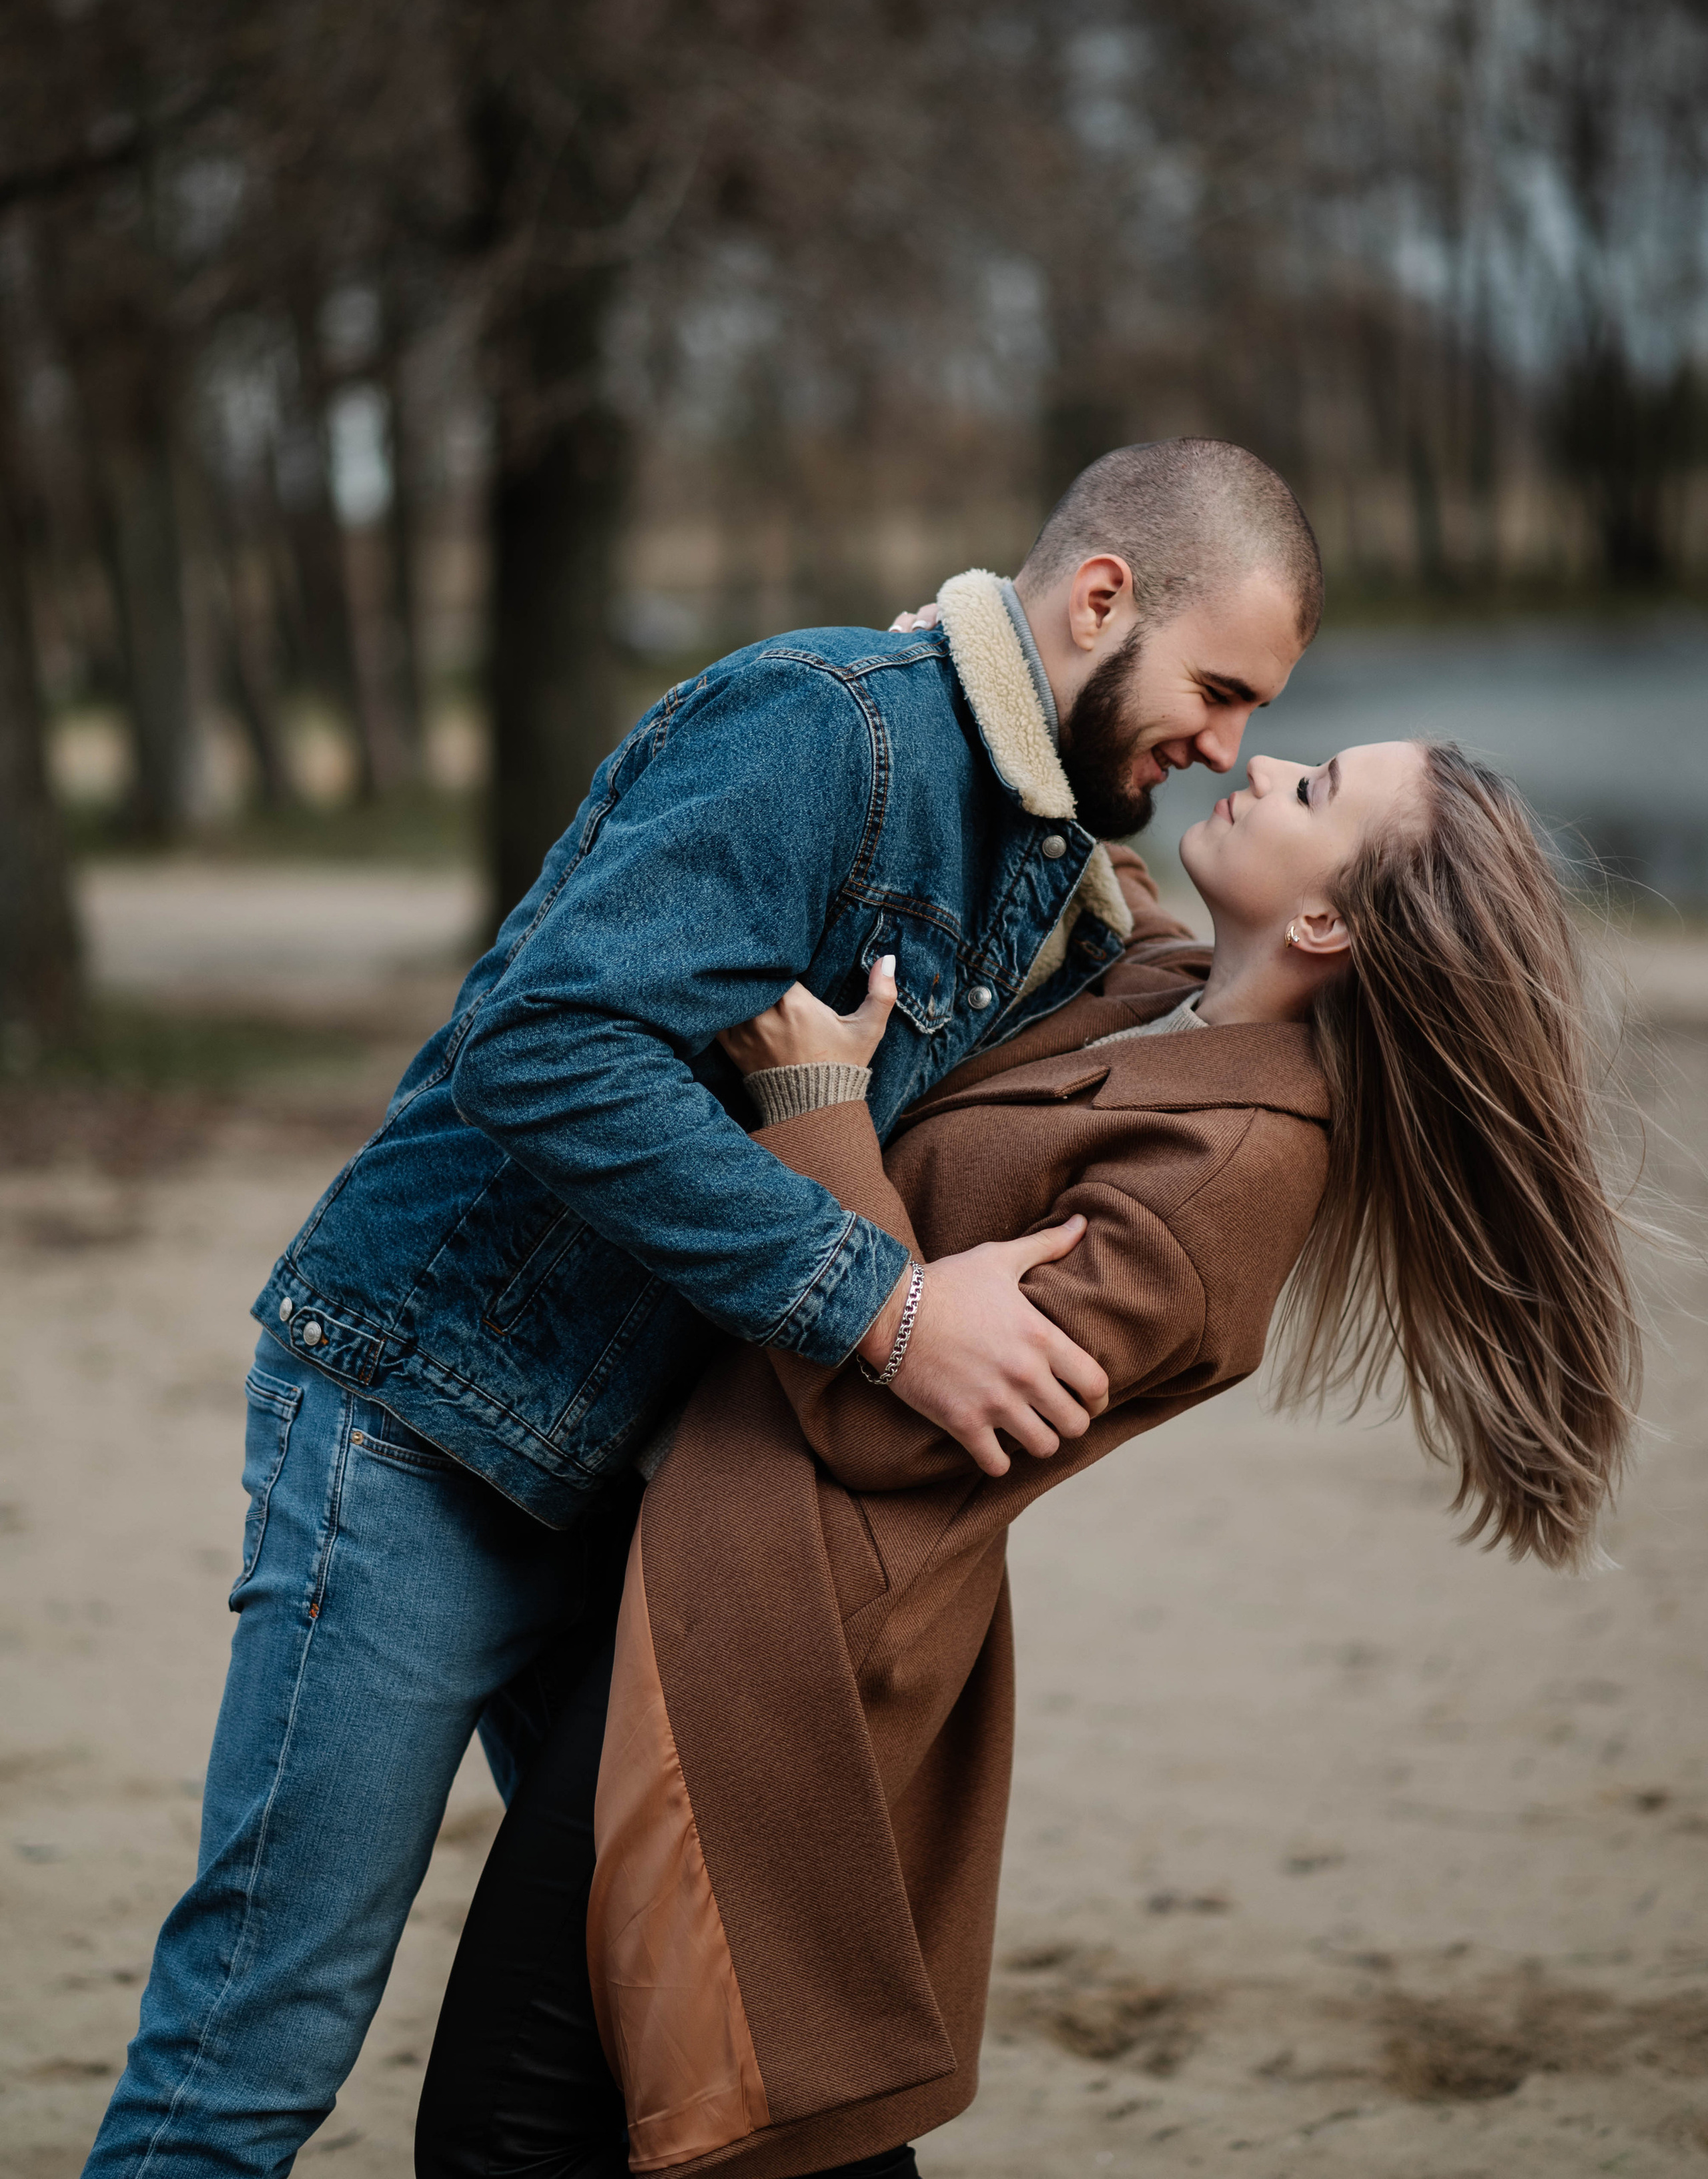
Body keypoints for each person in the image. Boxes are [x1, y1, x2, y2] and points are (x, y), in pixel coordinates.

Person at [83, 440, 1322, 2179]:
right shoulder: (827, 723)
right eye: (1220, 690)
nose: (1226, 748)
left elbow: (1146, 1014)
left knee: (720, 2010)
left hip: (631, 1488)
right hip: (420, 1425)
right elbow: (544, 1045)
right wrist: (882, 1309)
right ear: (1102, 597)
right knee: (256, 2050)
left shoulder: (1043, 835)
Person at [413, 736, 1641, 2179]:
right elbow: (1088, 864)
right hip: (693, 1547)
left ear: (1323, 923)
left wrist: (812, 1107)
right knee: (719, 2126)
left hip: (775, 1636)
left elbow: (890, 1419)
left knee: (514, 2120)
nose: (1269, 761)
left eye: (1315, 793)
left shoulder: (1227, 1183)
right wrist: (987, 703)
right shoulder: (1166, 996)